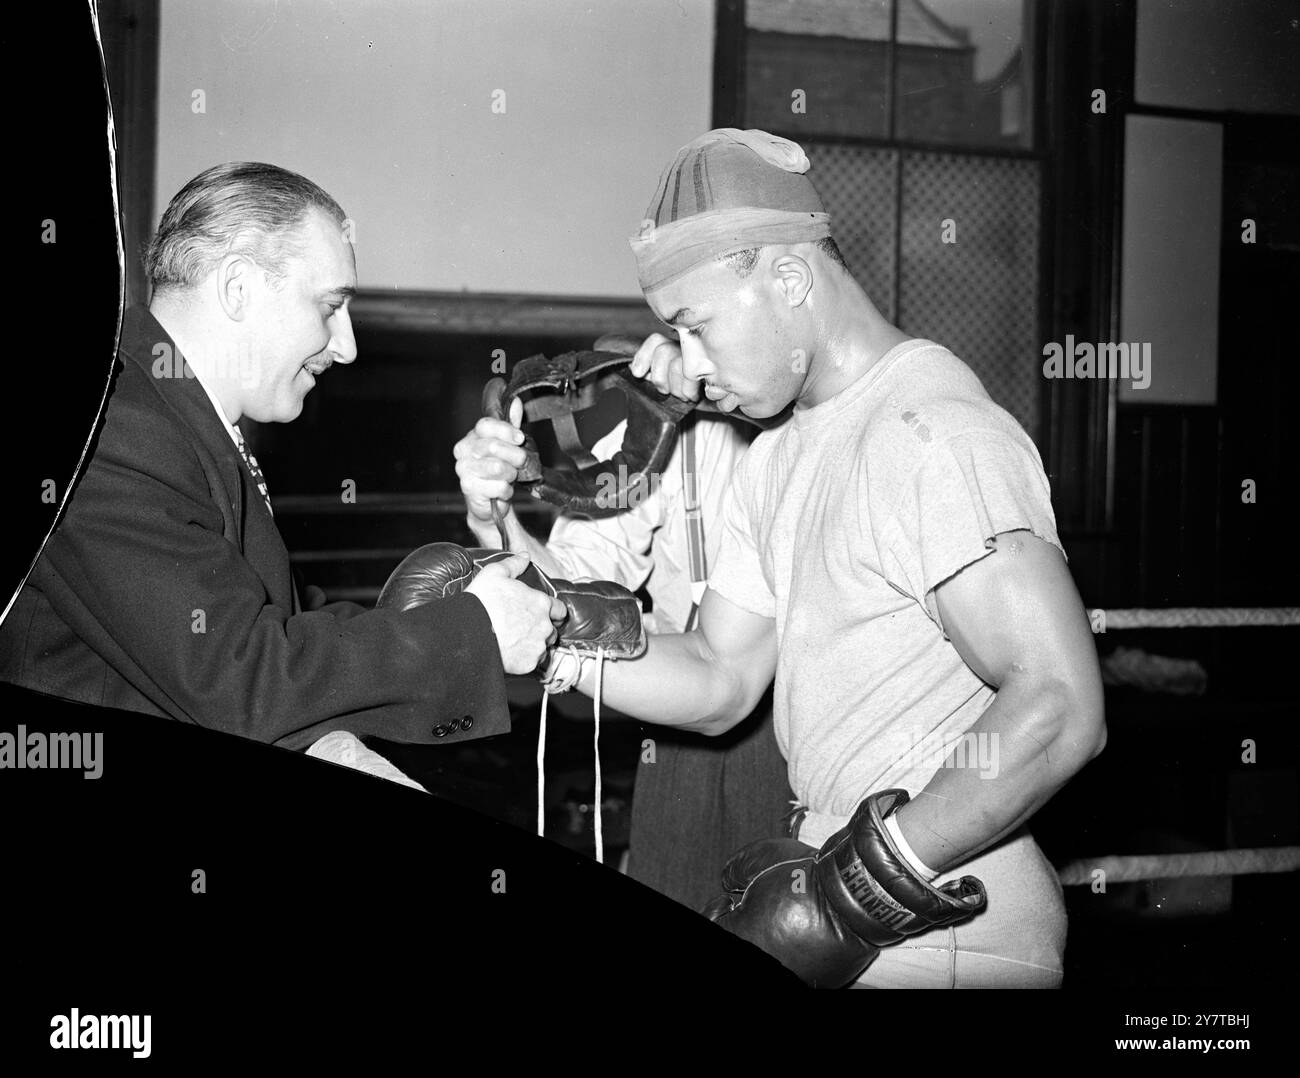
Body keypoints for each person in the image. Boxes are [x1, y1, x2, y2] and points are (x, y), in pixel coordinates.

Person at [539, 129, 1107, 987]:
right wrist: (553, 628)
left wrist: (859, 890)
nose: (688, 373)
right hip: (843, 880)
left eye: (697, 329)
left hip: (942, 919)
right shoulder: (780, 452)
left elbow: (1061, 703)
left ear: (793, 279)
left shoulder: (931, 432)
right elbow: (719, 676)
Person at [0, 162, 562, 751]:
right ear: (238, 287)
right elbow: (239, 682)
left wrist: (458, 605)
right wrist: (473, 632)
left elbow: (285, 624)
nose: (345, 348)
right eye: (329, 307)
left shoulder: (173, 416)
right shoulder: (109, 426)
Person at [454, 375, 793, 910]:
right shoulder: (657, 433)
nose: (679, 350)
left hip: (812, 726)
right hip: (689, 721)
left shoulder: (825, 433)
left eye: (698, 324)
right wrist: (493, 518)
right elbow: (567, 591)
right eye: (675, 328)